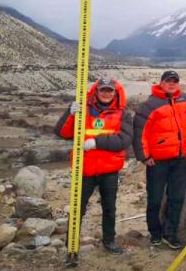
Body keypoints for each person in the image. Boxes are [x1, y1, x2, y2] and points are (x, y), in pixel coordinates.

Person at [55, 77, 132, 254]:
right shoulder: (83, 110)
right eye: (103, 90)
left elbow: (124, 140)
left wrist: (97, 143)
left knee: (109, 208)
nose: (106, 93)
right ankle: (71, 244)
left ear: (115, 93)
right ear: (96, 92)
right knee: (77, 208)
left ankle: (109, 241)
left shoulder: (123, 114)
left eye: (110, 90)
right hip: (84, 169)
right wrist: (70, 114)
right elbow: (63, 133)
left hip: (109, 170)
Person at [132, 70, 186, 249]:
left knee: (177, 198)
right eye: (168, 81)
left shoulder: (185, 100)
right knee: (155, 199)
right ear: (161, 83)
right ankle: (155, 233)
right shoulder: (150, 105)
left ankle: (170, 233)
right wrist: (144, 156)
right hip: (157, 161)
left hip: (179, 159)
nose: (171, 84)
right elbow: (140, 132)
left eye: (175, 81)